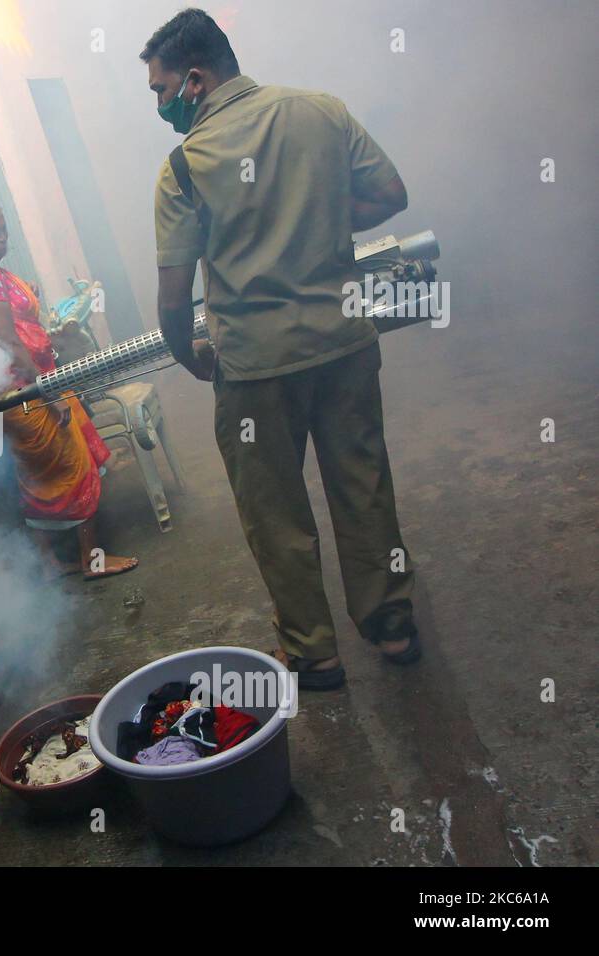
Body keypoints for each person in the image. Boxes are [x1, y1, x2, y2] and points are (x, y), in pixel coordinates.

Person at [144, 9, 418, 689]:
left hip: (253, 369)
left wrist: (190, 356)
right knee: (364, 485)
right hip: (345, 344)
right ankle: (391, 625)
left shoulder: (183, 168)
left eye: (161, 88)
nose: (158, 104)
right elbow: (390, 194)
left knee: (274, 510)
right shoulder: (321, 112)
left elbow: (174, 298)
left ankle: (314, 653)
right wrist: (322, 216)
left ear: (197, 79)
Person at [0, 199, 137, 580]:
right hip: (26, 389)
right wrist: (49, 395)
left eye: (4, 229)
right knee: (76, 465)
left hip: (14, 389)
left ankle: (49, 563)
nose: (3, 237)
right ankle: (91, 560)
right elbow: (7, 337)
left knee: (38, 480)